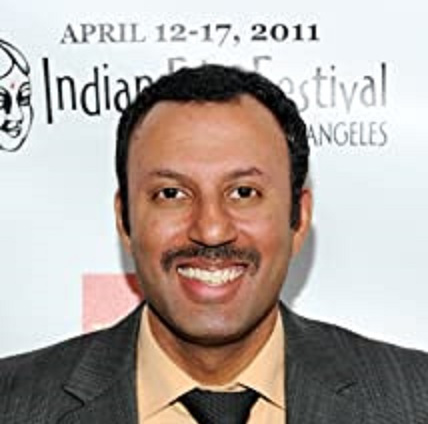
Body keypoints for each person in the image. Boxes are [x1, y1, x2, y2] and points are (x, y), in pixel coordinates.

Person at [0, 64, 427, 424]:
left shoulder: (413, 400)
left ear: (298, 219)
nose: (210, 230)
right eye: (171, 194)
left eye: (243, 192)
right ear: (124, 221)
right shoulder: (13, 405)